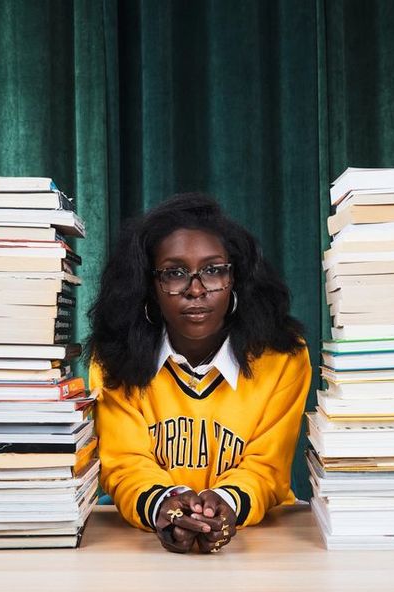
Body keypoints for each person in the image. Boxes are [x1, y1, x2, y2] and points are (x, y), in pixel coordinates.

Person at [87, 193, 311, 554]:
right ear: (149, 286)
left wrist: (226, 504)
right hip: (138, 548)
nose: (196, 290)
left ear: (235, 278)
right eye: (174, 273)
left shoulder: (282, 357)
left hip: (265, 546)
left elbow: (268, 465)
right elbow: (125, 463)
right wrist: (165, 506)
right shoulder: (114, 359)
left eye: (213, 270)